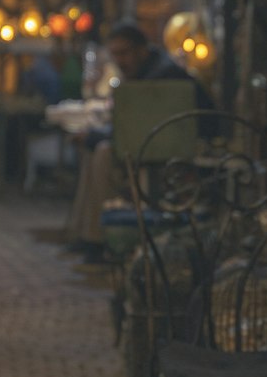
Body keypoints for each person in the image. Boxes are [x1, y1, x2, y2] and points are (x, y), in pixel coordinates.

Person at [65, 18, 213, 252]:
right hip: (149, 148)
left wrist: (95, 137)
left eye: (124, 53)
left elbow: (137, 130)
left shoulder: (159, 77)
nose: (120, 61)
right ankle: (84, 235)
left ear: (141, 50)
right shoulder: (148, 73)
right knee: (94, 150)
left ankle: (97, 241)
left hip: (167, 158)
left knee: (103, 153)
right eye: (116, 55)